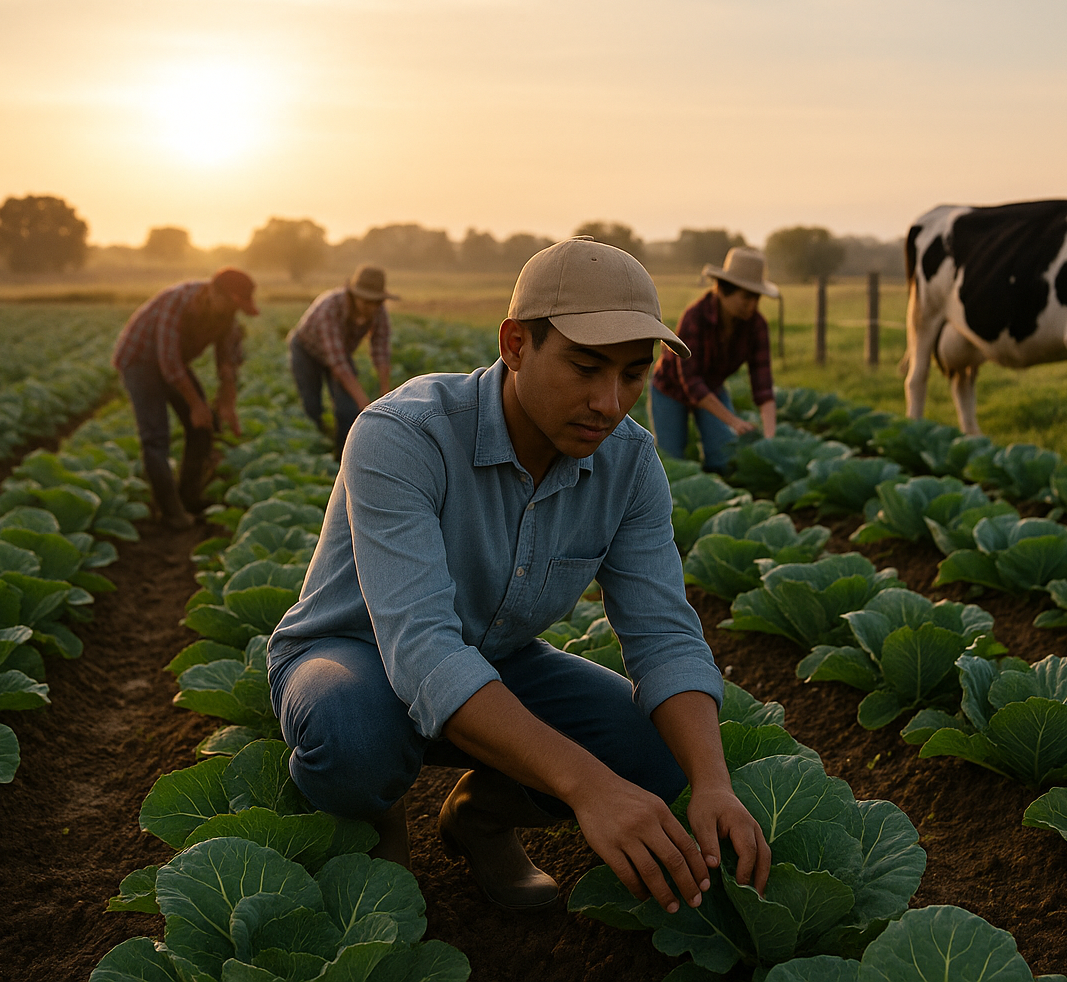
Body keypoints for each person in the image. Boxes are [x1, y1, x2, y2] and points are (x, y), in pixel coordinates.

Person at [267, 237, 770, 914]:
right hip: (352, 655)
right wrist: (588, 788)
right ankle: (374, 816)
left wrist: (713, 782)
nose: (609, 401)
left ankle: (480, 815)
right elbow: (420, 649)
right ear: (515, 345)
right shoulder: (401, 435)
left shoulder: (630, 462)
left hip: (492, 658)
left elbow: (665, 635)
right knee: (356, 736)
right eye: (586, 367)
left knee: (655, 751)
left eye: (632, 374)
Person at [111, 266, 257, 529]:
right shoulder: (177, 302)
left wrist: (227, 403)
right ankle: (170, 512)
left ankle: (188, 498)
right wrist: (195, 404)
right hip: (140, 361)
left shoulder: (226, 314)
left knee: (202, 426)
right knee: (155, 437)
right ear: (213, 293)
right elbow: (169, 364)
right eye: (231, 305)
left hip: (174, 363)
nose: (232, 313)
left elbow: (226, 362)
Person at [648, 246, 779, 472]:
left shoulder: (756, 325)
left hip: (713, 389)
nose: (753, 305)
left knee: (723, 454)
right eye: (746, 297)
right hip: (669, 389)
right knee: (671, 461)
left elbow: (763, 385)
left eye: (756, 297)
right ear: (723, 290)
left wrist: (770, 437)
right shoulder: (695, 317)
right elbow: (692, 383)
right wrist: (735, 422)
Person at [287, 263, 395, 458]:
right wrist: (363, 400)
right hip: (306, 351)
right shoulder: (330, 307)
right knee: (312, 404)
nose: (371, 308)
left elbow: (381, 349)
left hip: (340, 352)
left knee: (348, 410)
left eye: (376, 302)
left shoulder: (378, 311)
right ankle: (315, 447)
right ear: (353, 296)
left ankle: (343, 456)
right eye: (366, 302)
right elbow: (338, 364)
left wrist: (385, 392)